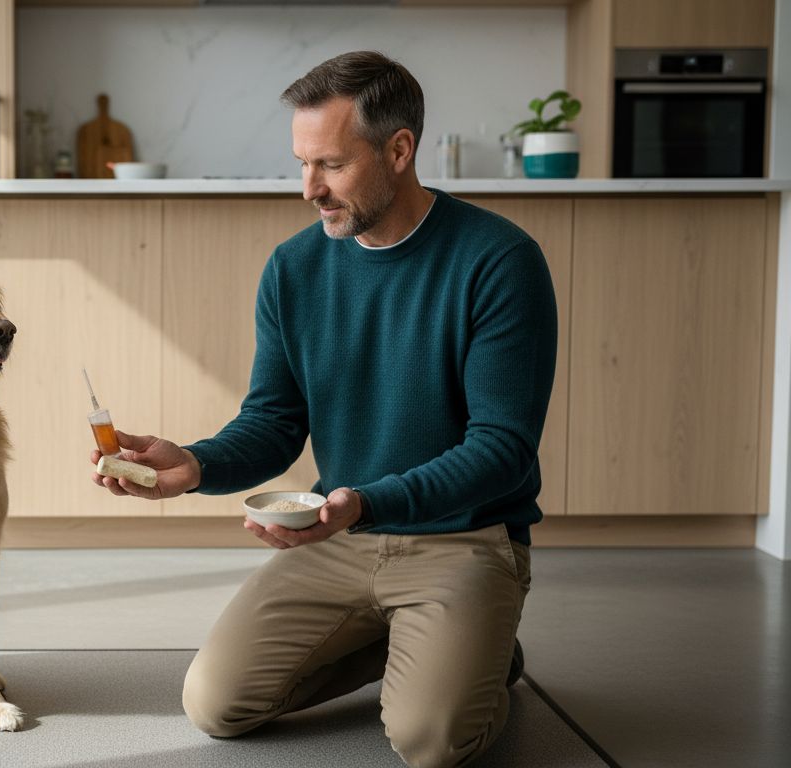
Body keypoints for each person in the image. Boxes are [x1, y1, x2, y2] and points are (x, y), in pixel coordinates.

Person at [89, 50, 556, 768]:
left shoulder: (498, 260)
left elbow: (503, 449)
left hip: (463, 538)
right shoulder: (294, 268)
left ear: (399, 150)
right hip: (340, 537)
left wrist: (364, 502)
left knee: (430, 742)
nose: (309, 188)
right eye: (302, 164)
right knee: (215, 705)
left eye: (331, 165)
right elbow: (274, 421)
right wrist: (195, 464)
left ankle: (478, 654)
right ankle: (431, 647)